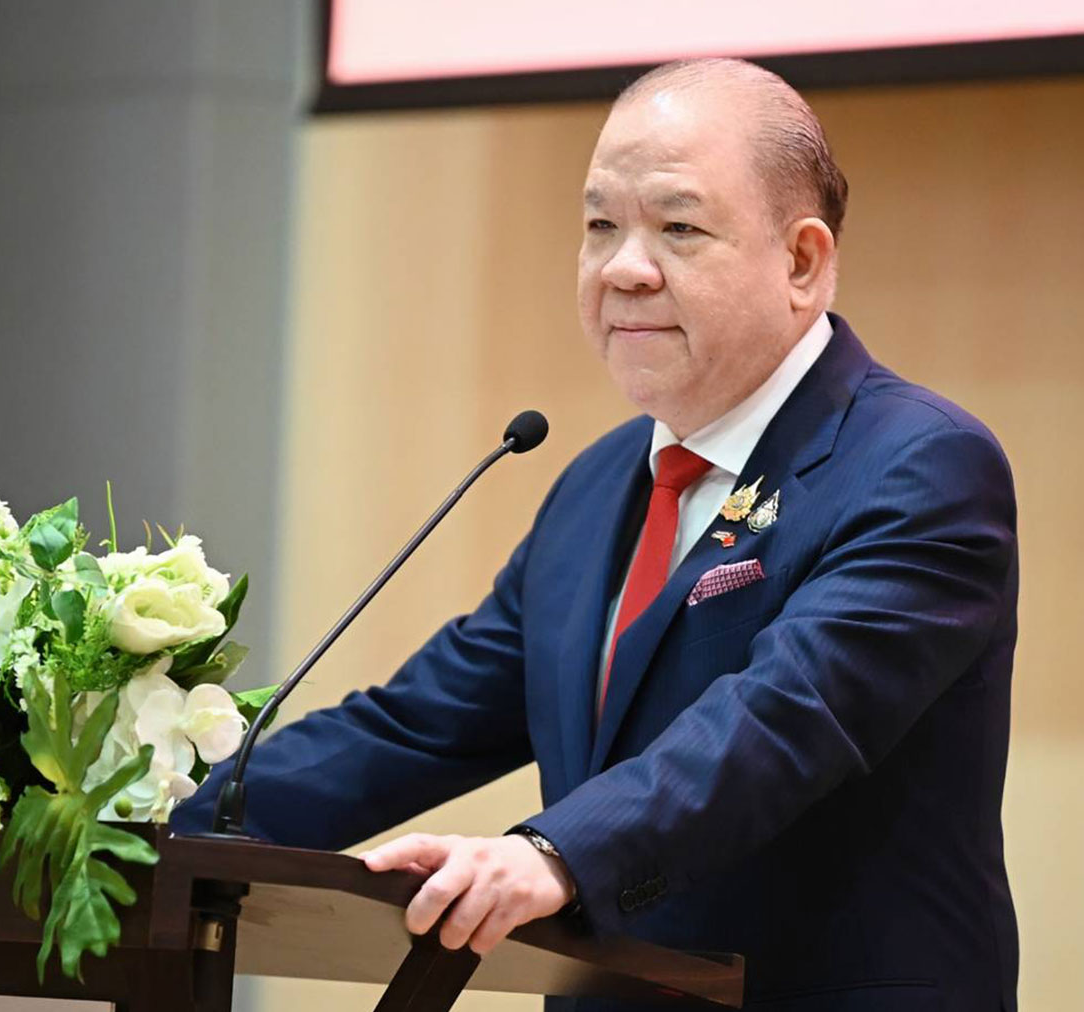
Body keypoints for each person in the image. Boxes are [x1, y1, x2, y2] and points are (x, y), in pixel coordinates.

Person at [174, 57, 1020, 1012]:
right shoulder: (596, 484)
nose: (624, 266)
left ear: (802, 262)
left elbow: (780, 723)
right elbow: (418, 724)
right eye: (600, 226)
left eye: (679, 227)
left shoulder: (919, 465)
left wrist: (550, 853)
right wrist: (139, 828)